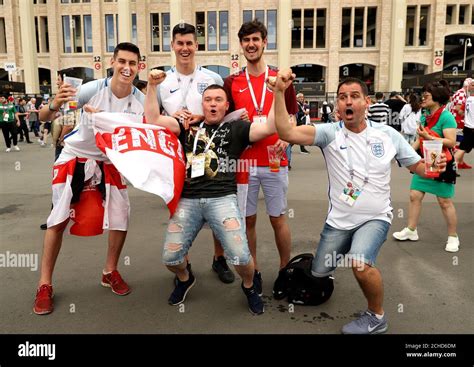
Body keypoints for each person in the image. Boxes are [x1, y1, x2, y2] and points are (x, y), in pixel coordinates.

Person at [274, 74, 446, 334]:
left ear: (366, 102)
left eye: (354, 96)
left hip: (375, 217)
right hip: (339, 221)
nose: (348, 102)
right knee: (320, 271)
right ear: (338, 106)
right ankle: (334, 259)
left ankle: (376, 317)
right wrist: (278, 92)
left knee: (360, 265)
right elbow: (286, 131)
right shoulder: (329, 133)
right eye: (342, 97)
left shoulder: (388, 135)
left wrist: (434, 168)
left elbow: (418, 167)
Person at [146, 70, 295, 315]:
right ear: (202, 104)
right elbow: (153, 119)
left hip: (222, 199)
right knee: (170, 259)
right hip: (188, 201)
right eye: (208, 100)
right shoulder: (187, 126)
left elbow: (270, 126)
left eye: (218, 100)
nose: (213, 104)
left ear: (226, 106)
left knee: (241, 257)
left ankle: (248, 285)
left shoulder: (237, 129)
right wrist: (152, 86)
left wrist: (277, 92)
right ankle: (185, 278)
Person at [33, 42, 146, 315]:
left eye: (132, 63)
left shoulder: (140, 101)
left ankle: (109, 271)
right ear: (112, 62)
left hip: (109, 163)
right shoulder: (91, 90)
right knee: (57, 220)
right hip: (75, 157)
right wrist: (55, 103)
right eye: (122, 62)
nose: (127, 68)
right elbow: (45, 116)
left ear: (139, 66)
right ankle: (45, 284)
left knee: (121, 216)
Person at [223, 19, 298, 299]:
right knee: (248, 221)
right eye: (246, 40)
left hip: (274, 160)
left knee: (278, 219)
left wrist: (285, 137)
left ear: (265, 42)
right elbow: (223, 118)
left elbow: (291, 116)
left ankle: (285, 269)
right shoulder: (232, 81)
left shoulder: (281, 78)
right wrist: (234, 118)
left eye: (256, 39)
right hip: (243, 163)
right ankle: (252, 273)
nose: (251, 44)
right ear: (241, 45)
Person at [155, 22, 235, 284]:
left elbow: (224, 110)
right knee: (178, 206)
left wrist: (202, 116)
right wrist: (171, 118)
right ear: (172, 46)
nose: (185, 48)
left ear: (196, 46)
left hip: (208, 152)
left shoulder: (211, 79)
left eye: (189, 43)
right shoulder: (162, 82)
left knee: (214, 203)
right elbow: (152, 117)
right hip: (175, 154)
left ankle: (219, 258)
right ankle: (184, 262)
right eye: (180, 43)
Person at [393, 81, 460, 252]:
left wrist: (428, 137)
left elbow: (451, 141)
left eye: (426, 95)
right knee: (415, 195)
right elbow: (419, 140)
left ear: (437, 98)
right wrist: (403, 154)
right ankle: (411, 230)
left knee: (444, 201)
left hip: (442, 161)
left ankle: (453, 237)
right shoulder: (424, 116)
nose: (423, 98)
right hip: (426, 160)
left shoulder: (446, 117)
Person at [452, 78, 474, 169]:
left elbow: (460, 111)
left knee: (462, 148)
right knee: (462, 149)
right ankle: (451, 168)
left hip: (467, 126)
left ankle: (455, 165)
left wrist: (468, 116)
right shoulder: (463, 95)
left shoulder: (468, 99)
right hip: (472, 127)